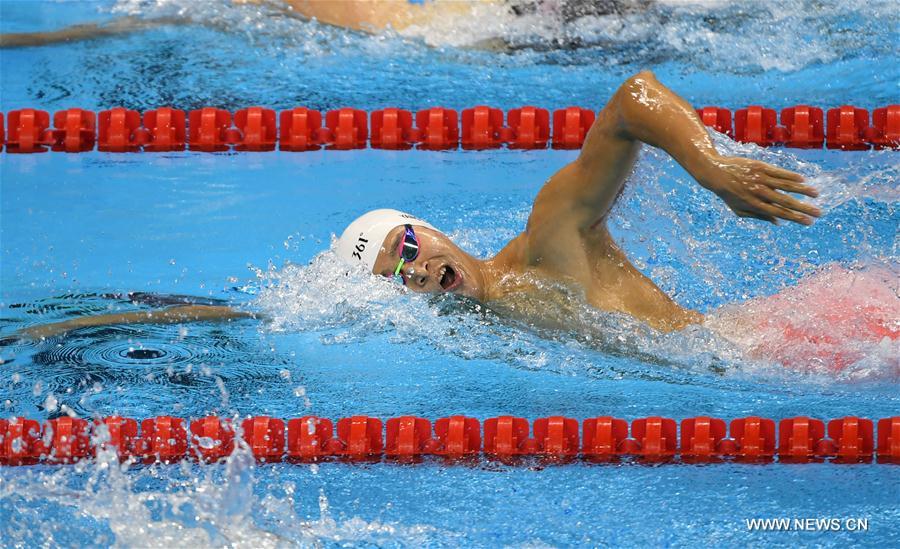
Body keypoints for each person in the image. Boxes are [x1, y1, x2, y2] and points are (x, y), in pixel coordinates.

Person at [16, 71, 820, 340]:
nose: (417, 270)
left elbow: (630, 100)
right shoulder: (489, 327)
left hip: (795, 339)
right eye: (397, 276)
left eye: (410, 246)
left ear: (434, 230)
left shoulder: (546, 243)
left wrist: (711, 168)